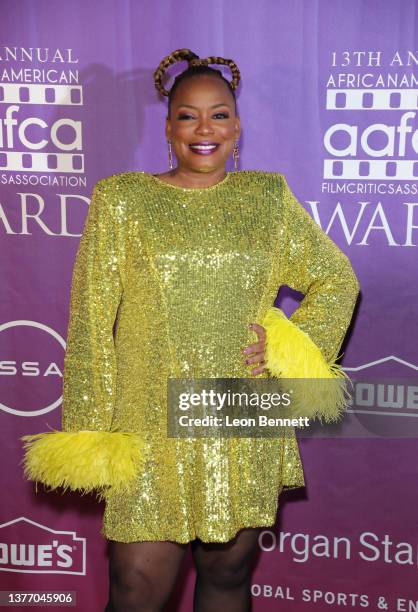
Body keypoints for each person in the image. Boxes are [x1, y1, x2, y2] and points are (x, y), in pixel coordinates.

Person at [21, 48, 360, 612]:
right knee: (135, 586)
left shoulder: (267, 198)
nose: (205, 129)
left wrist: (288, 347)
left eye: (219, 114)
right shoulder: (122, 200)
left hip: (238, 407)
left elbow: (336, 280)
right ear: (168, 126)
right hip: (147, 413)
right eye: (188, 114)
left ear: (238, 124)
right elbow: (90, 321)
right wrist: (91, 432)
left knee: (226, 574)